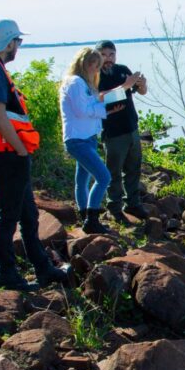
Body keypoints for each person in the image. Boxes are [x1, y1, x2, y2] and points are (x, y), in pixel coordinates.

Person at [0, 19, 70, 291]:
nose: (19, 47)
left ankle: (43, 268)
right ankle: (7, 275)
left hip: (5, 151)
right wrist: (21, 149)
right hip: (6, 153)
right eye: (18, 41)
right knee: (9, 216)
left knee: (28, 214)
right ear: (9, 43)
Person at [59, 47, 138, 233]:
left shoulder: (85, 83)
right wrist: (107, 110)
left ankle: (84, 215)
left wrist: (124, 90)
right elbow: (82, 110)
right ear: (84, 64)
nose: (97, 69)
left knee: (82, 180)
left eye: (98, 66)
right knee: (104, 177)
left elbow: (99, 99)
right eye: (94, 65)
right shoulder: (75, 82)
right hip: (77, 139)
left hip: (87, 137)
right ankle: (92, 220)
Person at [94, 40, 149, 223]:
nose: (108, 59)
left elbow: (141, 91)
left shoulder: (122, 70)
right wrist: (126, 85)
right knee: (114, 172)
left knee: (133, 168)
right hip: (113, 132)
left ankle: (133, 203)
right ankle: (114, 208)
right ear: (97, 56)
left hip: (131, 127)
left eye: (111, 54)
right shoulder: (95, 75)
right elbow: (101, 98)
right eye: (104, 55)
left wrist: (142, 84)